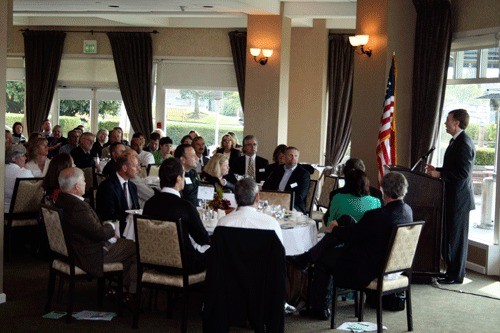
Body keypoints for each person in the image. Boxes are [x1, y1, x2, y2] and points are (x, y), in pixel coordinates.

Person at [292, 172, 413, 320]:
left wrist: (334, 230)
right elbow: (362, 231)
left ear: (383, 190)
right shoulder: (407, 211)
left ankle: (319, 307)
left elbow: (353, 235)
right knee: (346, 219)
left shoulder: (377, 216)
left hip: (369, 267)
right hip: (390, 263)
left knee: (323, 258)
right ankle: (309, 256)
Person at [56, 167, 137, 296]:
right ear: (77, 186)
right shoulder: (78, 207)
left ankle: (122, 288)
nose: (86, 183)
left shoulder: (62, 200)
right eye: (83, 180)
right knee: (135, 247)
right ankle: (132, 293)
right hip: (88, 255)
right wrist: (111, 226)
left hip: (73, 250)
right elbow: (100, 234)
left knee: (126, 250)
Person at [426, 109, 475, 285]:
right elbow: (453, 168)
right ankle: (449, 272)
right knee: (449, 237)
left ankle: (456, 275)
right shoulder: (455, 141)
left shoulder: (464, 143)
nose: (445, 123)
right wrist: (437, 170)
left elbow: (462, 172)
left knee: (456, 239)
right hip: (451, 197)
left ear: (457, 123)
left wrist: (441, 175)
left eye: (448, 120)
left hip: (459, 200)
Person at [143, 158, 210, 274]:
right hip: (184, 265)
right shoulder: (186, 207)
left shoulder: (149, 204)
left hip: (155, 262)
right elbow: (202, 238)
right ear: (179, 179)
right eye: (183, 176)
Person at [217, 178, 283, 244]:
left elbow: (218, 251)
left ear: (235, 197)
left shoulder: (223, 223)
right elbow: (279, 253)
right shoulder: (271, 224)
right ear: (257, 197)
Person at [96, 151, 140, 234]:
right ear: (124, 168)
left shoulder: (132, 186)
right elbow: (108, 215)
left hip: (131, 228)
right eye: (135, 166)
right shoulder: (107, 186)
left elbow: (136, 209)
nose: (139, 169)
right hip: (115, 230)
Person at [263, 146, 310, 214]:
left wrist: (283, 200)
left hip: (294, 205)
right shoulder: (277, 170)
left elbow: (300, 196)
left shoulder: (303, 174)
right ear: (284, 157)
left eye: (296, 156)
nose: (293, 158)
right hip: (274, 203)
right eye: (290, 155)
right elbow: (266, 187)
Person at [4, 145, 34, 212]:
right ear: (14, 158)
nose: (25, 158)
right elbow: (34, 196)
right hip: (19, 213)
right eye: (23, 156)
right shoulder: (24, 173)